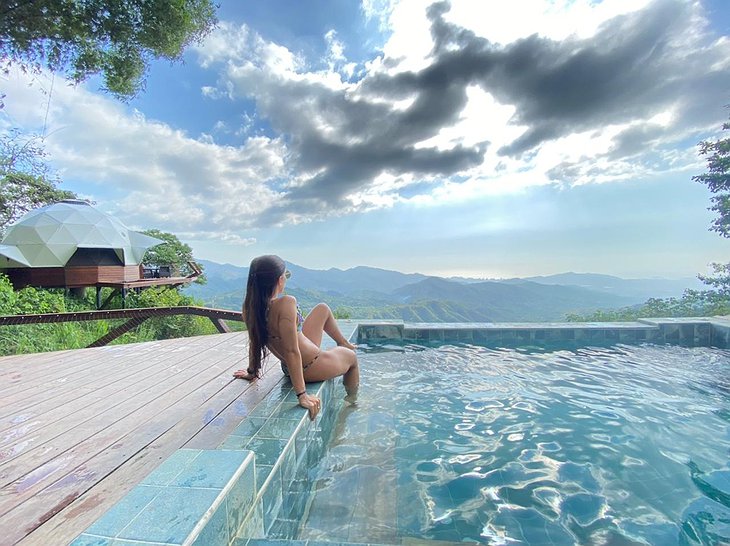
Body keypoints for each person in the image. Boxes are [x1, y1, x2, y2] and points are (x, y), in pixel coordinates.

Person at [233, 255, 359, 420]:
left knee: (322, 309)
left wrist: (252, 371)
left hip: (292, 365)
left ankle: (343, 342)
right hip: (311, 365)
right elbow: (292, 351)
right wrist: (302, 395)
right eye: (286, 275)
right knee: (352, 359)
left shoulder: (250, 307)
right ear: (279, 279)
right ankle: (352, 403)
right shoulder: (286, 303)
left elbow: (254, 341)